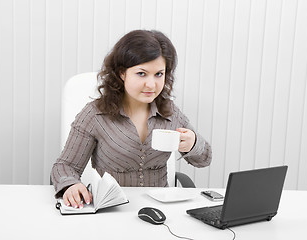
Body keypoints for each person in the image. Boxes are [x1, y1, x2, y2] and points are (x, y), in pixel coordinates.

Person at [51, 29, 212, 208]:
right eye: (142, 73)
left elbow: (205, 158)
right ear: (122, 73)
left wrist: (193, 143)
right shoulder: (95, 114)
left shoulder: (170, 112)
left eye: (159, 74)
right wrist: (71, 185)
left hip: (161, 213)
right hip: (113, 210)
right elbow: (64, 166)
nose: (151, 84)